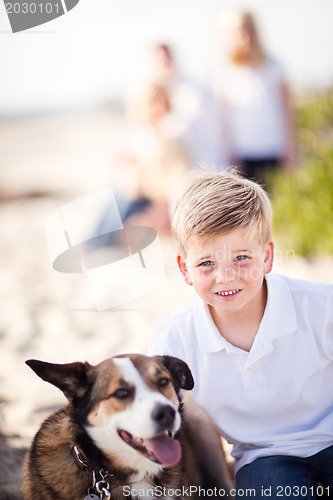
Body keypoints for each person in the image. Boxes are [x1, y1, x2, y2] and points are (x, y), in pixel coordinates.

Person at [147, 171, 333, 498]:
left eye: (242, 257)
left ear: (268, 257)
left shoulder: (320, 308)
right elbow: (164, 421)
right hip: (264, 456)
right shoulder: (174, 340)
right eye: (206, 263)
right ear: (184, 269)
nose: (225, 276)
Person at [213, 10, 295, 184]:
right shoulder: (222, 72)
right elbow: (222, 120)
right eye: (240, 33)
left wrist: (290, 150)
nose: (245, 38)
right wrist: (229, 155)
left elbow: (287, 111)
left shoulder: (275, 67)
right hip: (242, 154)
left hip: (273, 150)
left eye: (249, 31)